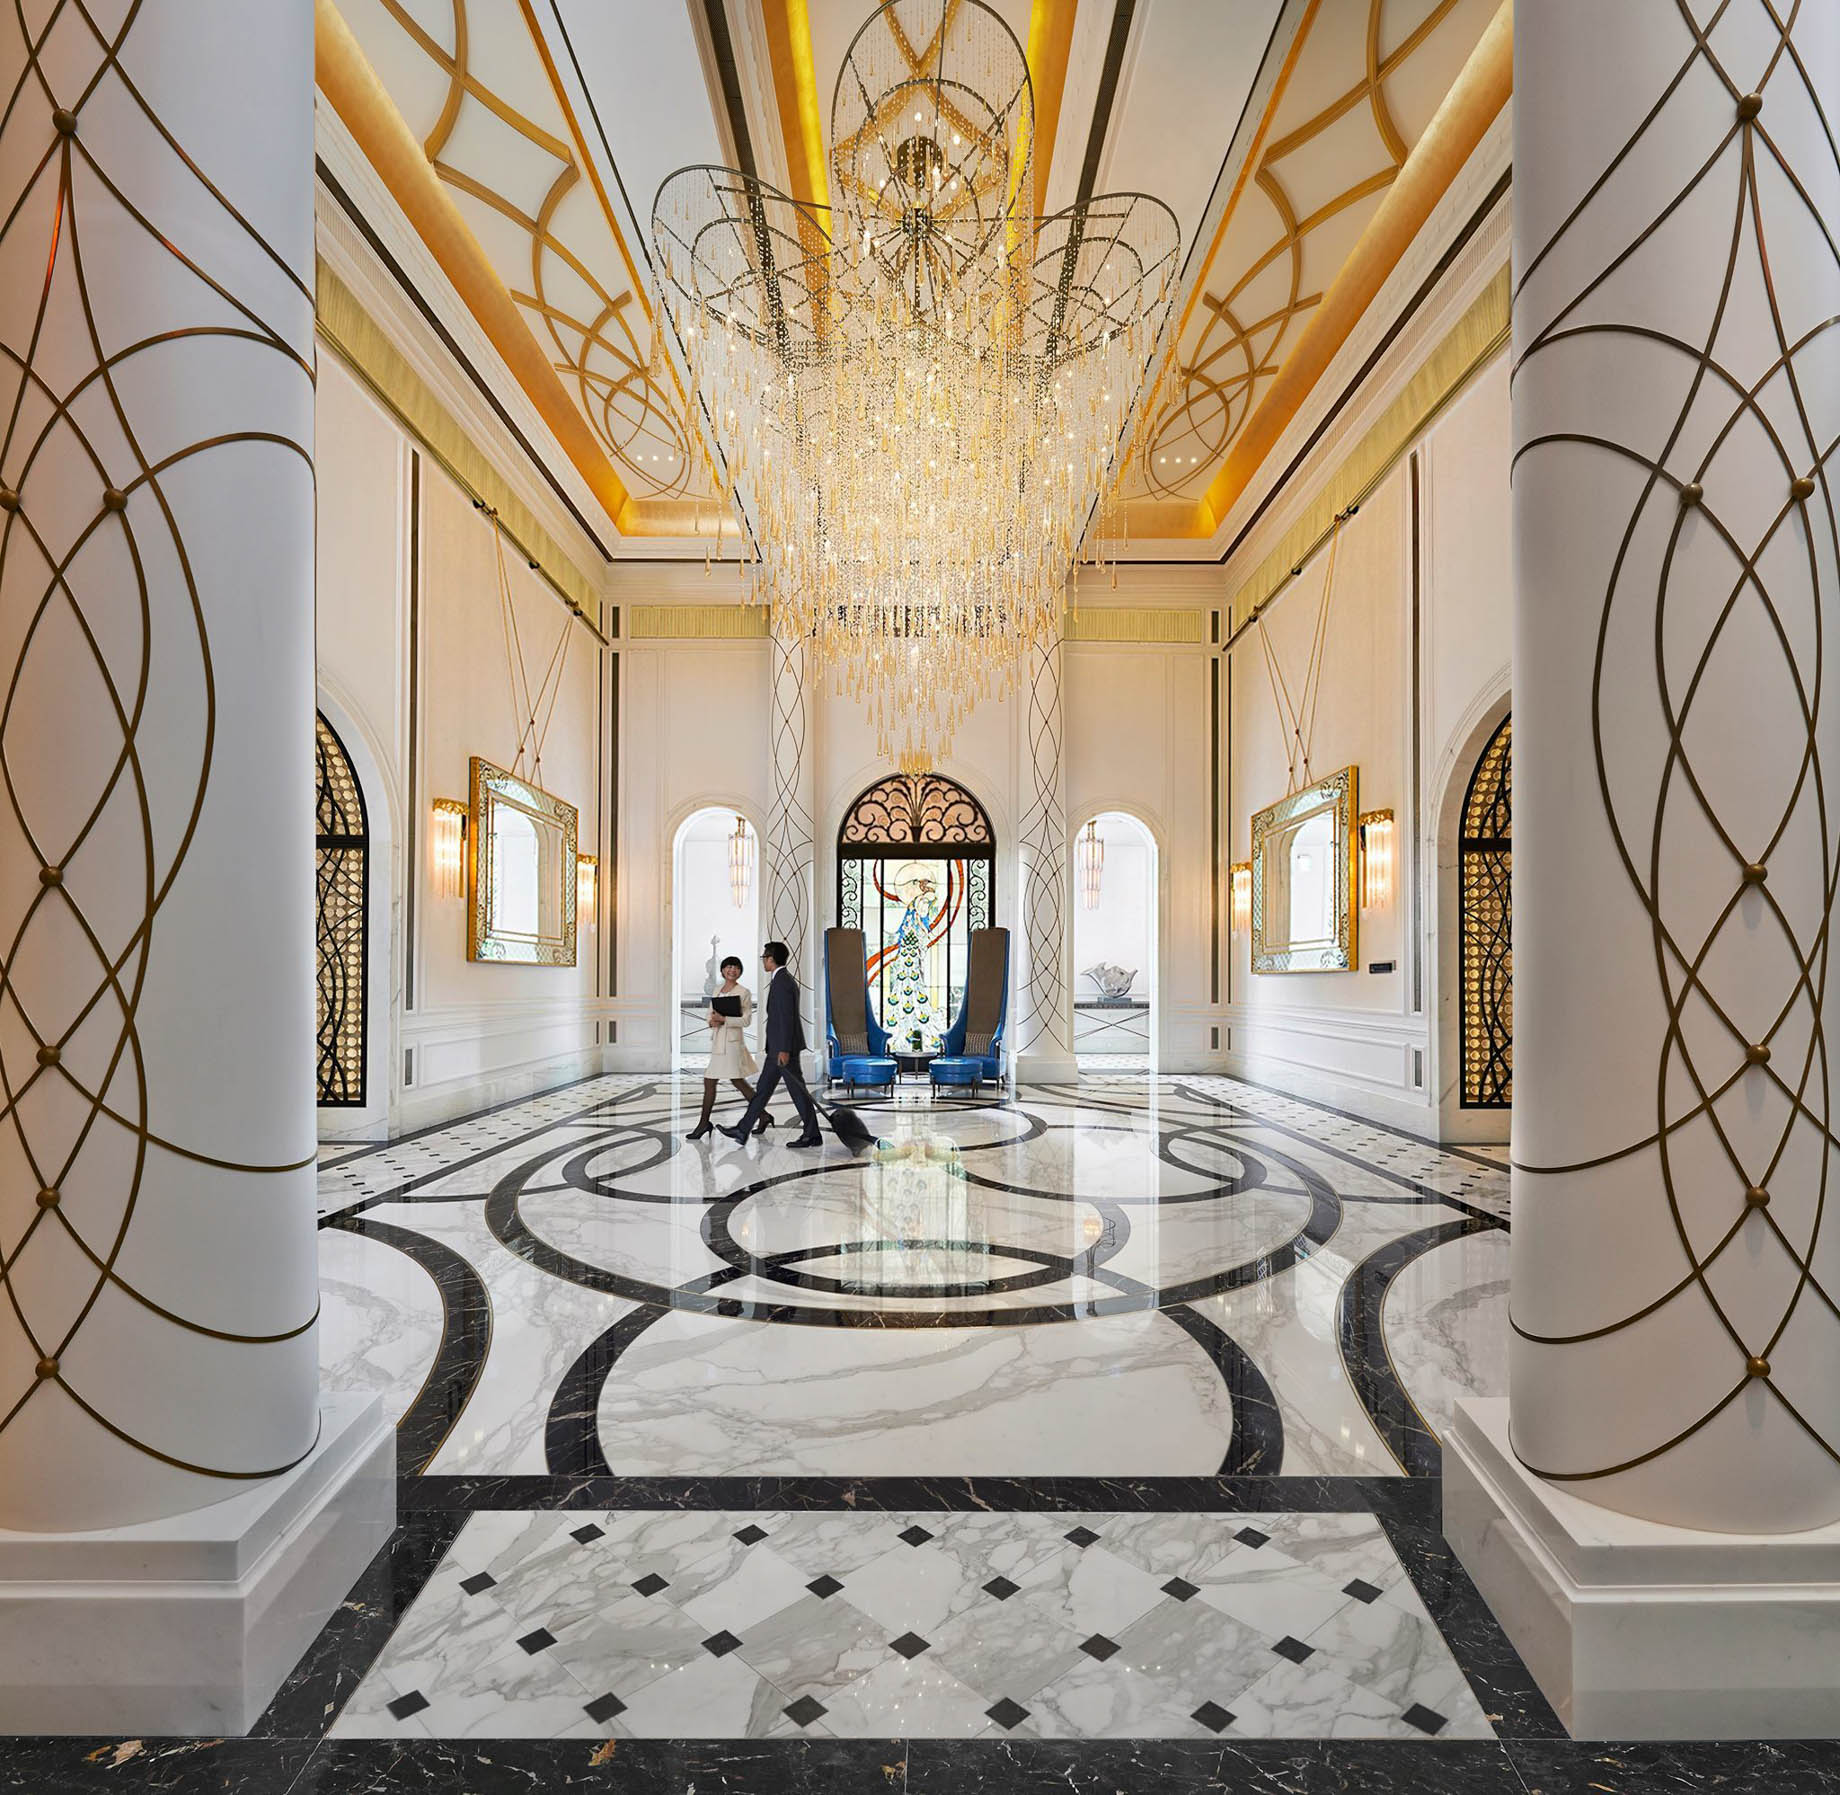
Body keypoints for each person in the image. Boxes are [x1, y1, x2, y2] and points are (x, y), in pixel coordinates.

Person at [720, 940, 822, 1148]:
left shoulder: (782, 982)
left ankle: (812, 1134)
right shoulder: (781, 980)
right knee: (763, 1091)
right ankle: (743, 1129)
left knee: (797, 1092)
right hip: (776, 1049)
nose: (763, 962)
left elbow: (786, 1018)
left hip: (782, 1051)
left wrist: (784, 1049)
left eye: (764, 958)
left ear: (771, 959)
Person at [685, 955, 774, 1141]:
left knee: (736, 1081)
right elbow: (710, 1013)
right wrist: (712, 1021)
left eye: (736, 968)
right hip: (718, 1043)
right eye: (728, 967)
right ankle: (761, 1115)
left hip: (733, 1044)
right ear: (723, 970)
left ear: (740, 971)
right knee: (713, 1081)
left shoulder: (744, 992)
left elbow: (746, 1020)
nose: (732, 970)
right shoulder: (717, 990)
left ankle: (705, 1123)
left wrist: (724, 1019)